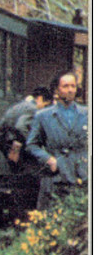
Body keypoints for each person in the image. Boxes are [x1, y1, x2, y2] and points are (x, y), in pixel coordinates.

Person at [25, 71, 88, 210]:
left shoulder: (88, 114)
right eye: (65, 86)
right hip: (56, 177)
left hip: (82, 176)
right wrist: (48, 159)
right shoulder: (43, 116)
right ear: (56, 89)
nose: (70, 90)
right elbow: (31, 145)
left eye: (73, 86)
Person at [0, 86, 53, 167]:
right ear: (39, 98)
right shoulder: (33, 109)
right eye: (45, 106)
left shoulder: (24, 104)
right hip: (7, 137)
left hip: (2, 134)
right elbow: (20, 126)